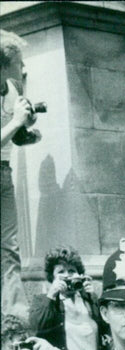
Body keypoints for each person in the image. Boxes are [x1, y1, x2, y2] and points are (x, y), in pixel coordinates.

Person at [1, 30, 39, 319]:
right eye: (18, 62)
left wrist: (27, 129)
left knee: (9, 247)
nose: (22, 68)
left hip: (3, 173)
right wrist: (15, 121)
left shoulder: (12, 91)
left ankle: (15, 317)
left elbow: (14, 138)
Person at [28, 246, 108, 350]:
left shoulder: (88, 298)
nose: (67, 275)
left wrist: (94, 299)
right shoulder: (43, 300)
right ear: (53, 277)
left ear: (79, 274)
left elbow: (106, 327)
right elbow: (36, 328)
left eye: (72, 271)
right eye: (61, 272)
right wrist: (51, 295)